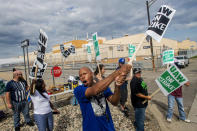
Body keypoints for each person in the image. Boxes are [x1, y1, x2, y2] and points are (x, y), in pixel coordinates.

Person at [74, 64, 131, 131]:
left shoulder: (102, 86)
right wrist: (118, 72)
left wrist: (117, 86)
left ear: (92, 74)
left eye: (84, 74)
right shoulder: (78, 90)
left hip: (107, 127)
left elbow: (114, 102)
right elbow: (95, 90)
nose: (82, 77)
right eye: (80, 76)